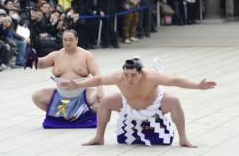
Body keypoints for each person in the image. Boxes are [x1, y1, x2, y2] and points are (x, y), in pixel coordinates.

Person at [59, 58, 216, 147]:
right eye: (127, 74)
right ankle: (99, 137)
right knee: (106, 101)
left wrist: (198, 86)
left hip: (155, 104)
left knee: (174, 101)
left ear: (141, 72)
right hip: (129, 104)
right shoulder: (119, 77)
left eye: (133, 75)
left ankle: (183, 139)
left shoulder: (152, 76)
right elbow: (99, 79)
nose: (129, 78)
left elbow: (175, 80)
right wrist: (78, 84)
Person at [31, 29, 104, 128]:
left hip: (83, 92)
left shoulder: (86, 55)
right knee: (37, 96)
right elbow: (40, 63)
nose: (68, 42)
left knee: (101, 102)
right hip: (61, 93)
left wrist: (100, 90)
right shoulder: (55, 55)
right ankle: (59, 116)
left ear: (77, 40)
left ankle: (82, 114)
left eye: (71, 39)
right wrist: (32, 57)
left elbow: (97, 74)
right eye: (65, 40)